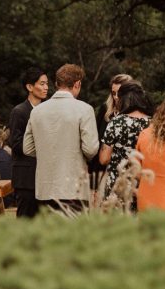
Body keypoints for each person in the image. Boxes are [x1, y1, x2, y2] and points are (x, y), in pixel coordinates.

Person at [24, 64, 99, 209]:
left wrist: (47, 151)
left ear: (57, 84)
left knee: (49, 231)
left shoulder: (37, 111)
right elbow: (90, 149)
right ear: (77, 84)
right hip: (74, 188)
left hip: (45, 188)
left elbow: (27, 148)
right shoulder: (84, 109)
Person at [98, 81, 152, 197]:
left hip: (117, 184)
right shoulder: (152, 124)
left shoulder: (116, 122)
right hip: (143, 185)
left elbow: (104, 159)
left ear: (123, 99)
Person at [8, 67, 49, 218]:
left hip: (44, 175)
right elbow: (15, 143)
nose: (46, 88)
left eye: (47, 84)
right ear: (30, 87)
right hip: (25, 176)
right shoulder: (19, 111)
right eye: (42, 83)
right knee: (25, 219)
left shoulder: (47, 110)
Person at [89, 74, 134, 175]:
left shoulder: (136, 114)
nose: (116, 97)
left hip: (126, 172)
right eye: (113, 93)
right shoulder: (105, 110)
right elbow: (96, 139)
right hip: (102, 169)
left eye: (120, 93)